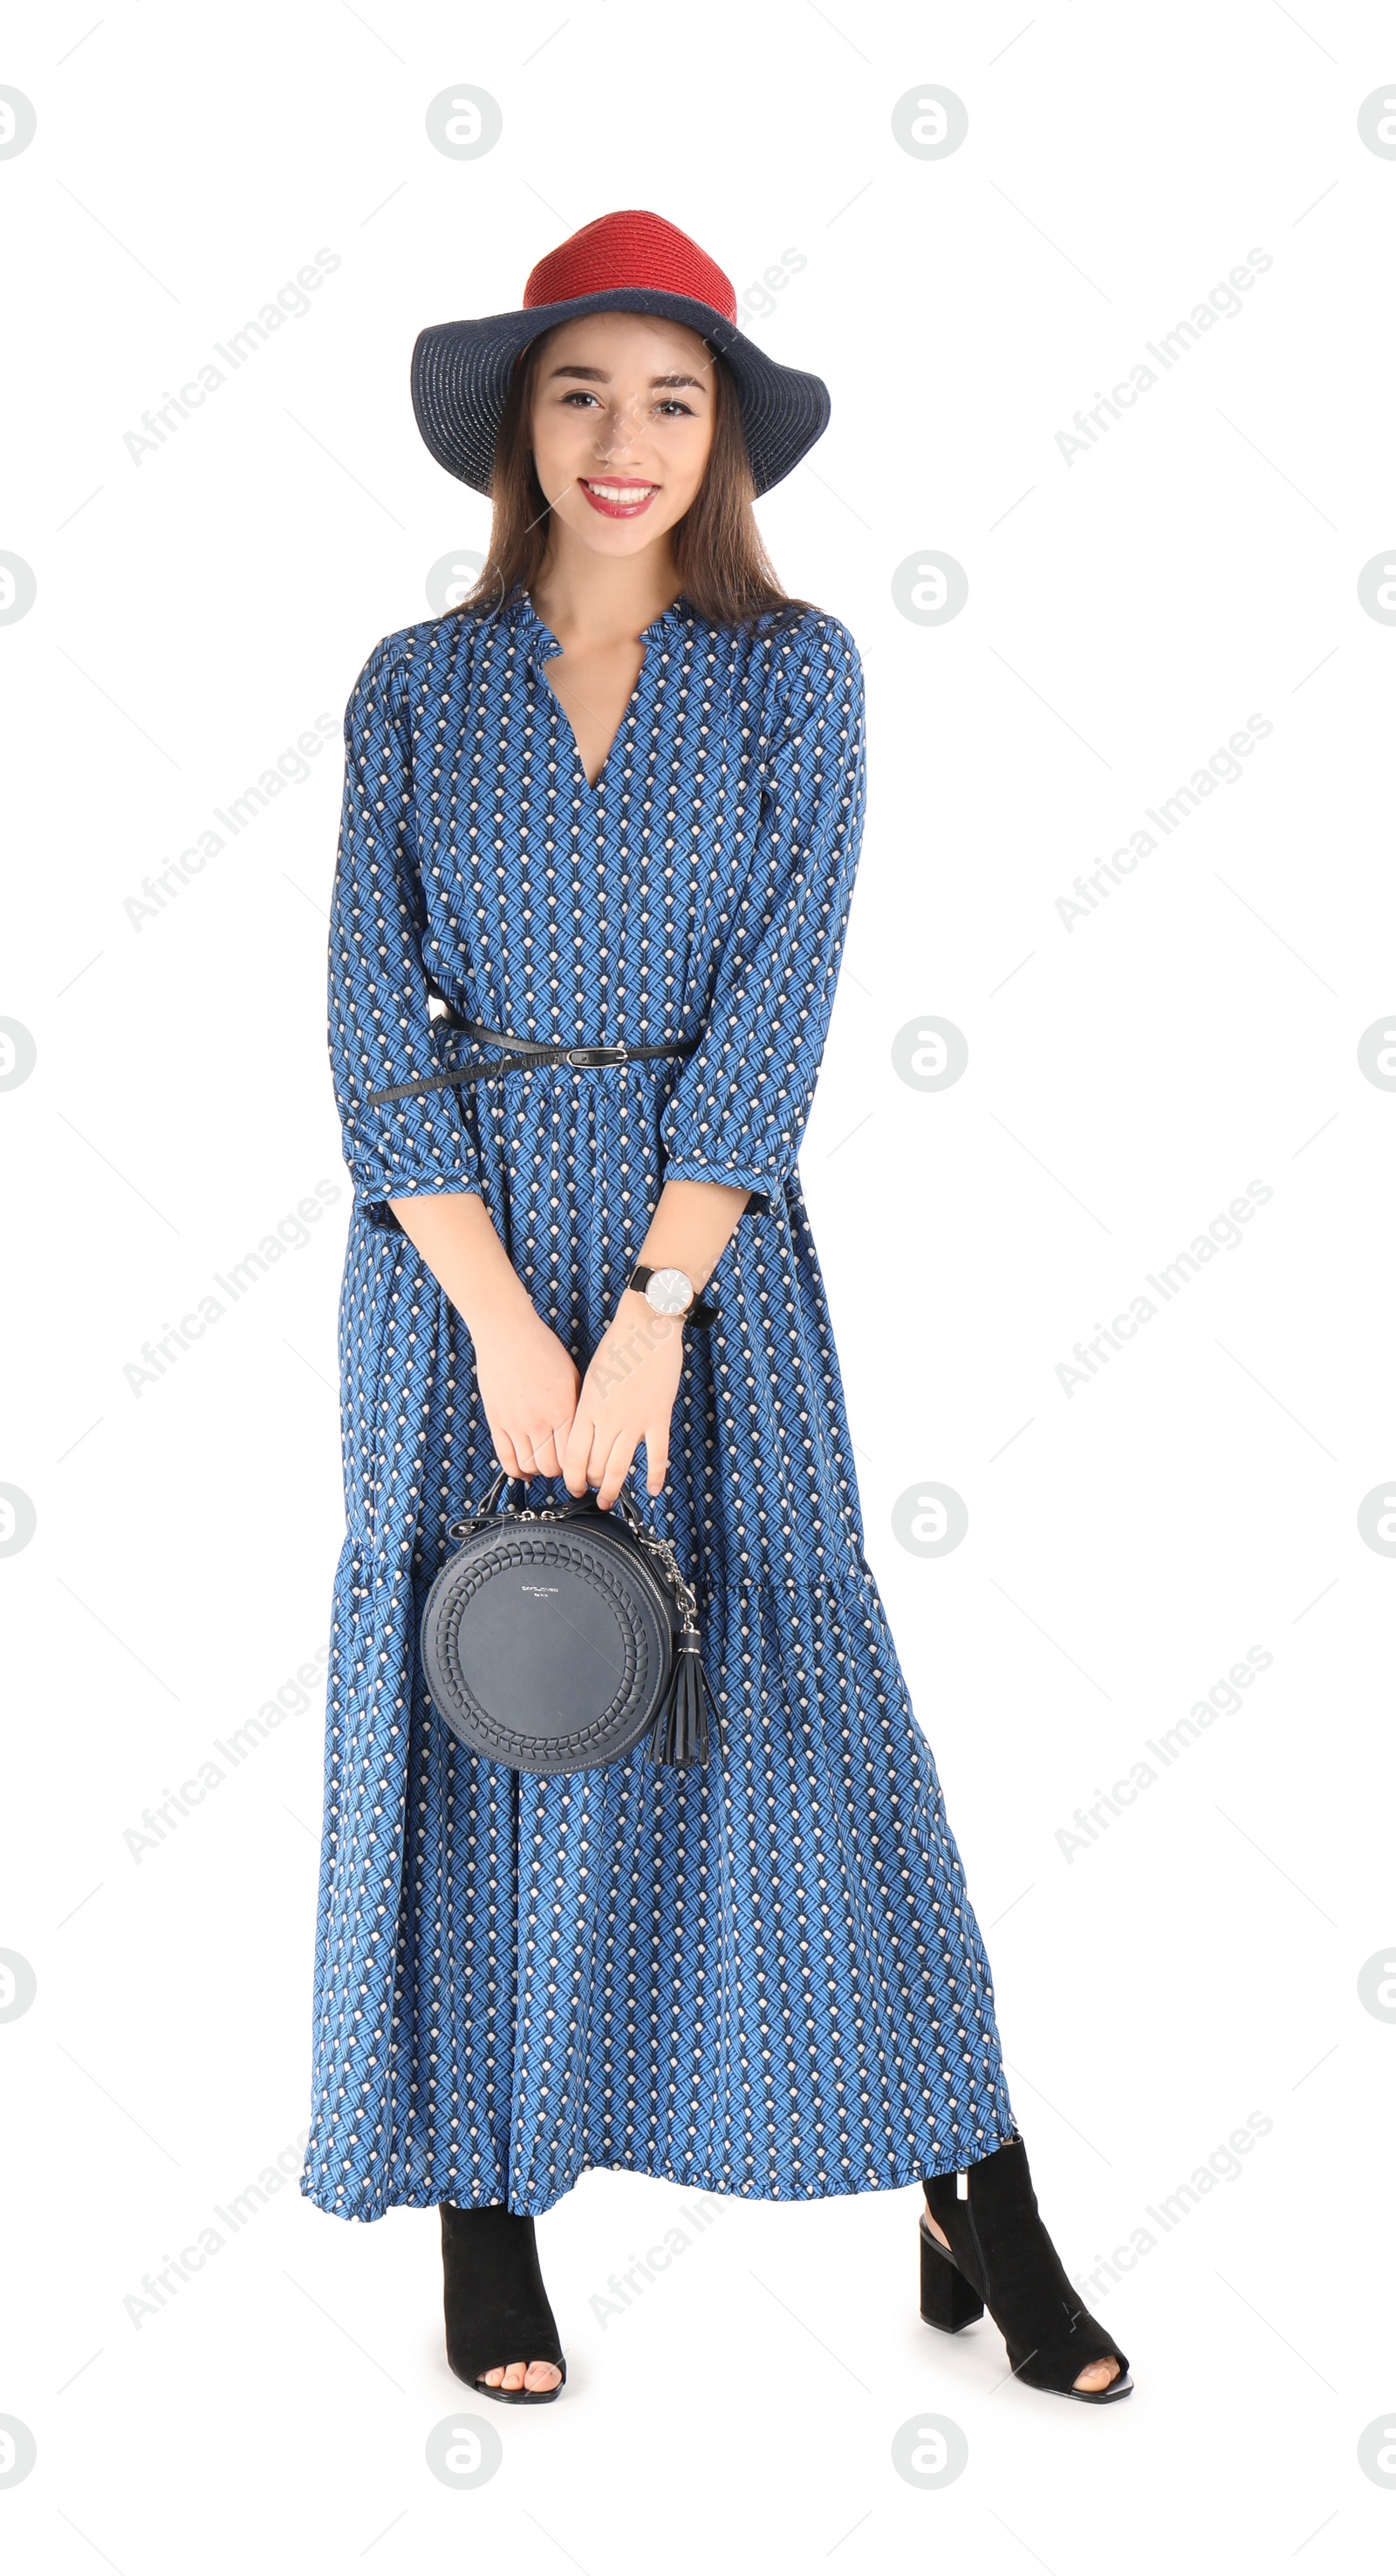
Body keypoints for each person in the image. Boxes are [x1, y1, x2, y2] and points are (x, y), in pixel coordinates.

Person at [300, 208, 1131, 2407]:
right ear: (514, 422)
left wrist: (655, 1304)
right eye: (579, 391)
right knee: (488, 1696)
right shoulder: (415, 685)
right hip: (456, 1264)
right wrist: (494, 1316)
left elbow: (775, 1015)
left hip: (709, 1266)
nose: (622, 437)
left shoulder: (795, 674)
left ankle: (978, 2179)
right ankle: (487, 2196)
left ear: (724, 439)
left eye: (671, 399)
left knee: (802, 1713)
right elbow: (371, 1025)